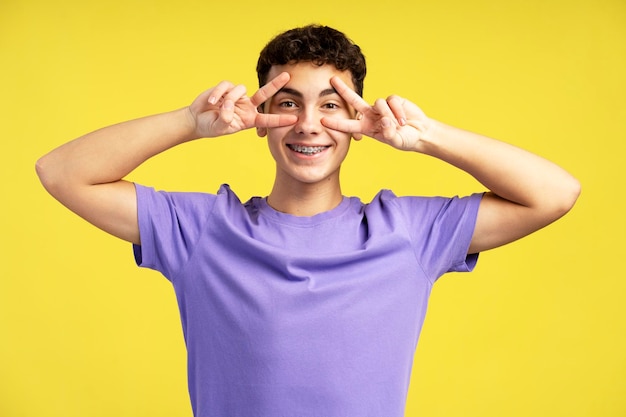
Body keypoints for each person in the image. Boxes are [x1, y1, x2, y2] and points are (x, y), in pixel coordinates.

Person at [36, 25, 580, 417]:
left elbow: (555, 194)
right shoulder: (202, 230)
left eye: (331, 106)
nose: (308, 124)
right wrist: (187, 122)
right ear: (262, 120)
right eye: (289, 103)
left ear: (357, 119)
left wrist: (425, 137)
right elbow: (61, 172)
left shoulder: (408, 233)